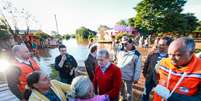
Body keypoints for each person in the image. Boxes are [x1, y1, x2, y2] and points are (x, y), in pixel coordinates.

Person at [141, 37, 173, 101]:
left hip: (161, 82)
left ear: (168, 46)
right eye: (159, 44)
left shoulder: (171, 57)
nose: (160, 46)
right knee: (145, 95)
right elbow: (146, 64)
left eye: (163, 45)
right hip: (149, 79)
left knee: (159, 97)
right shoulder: (152, 54)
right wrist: (145, 74)